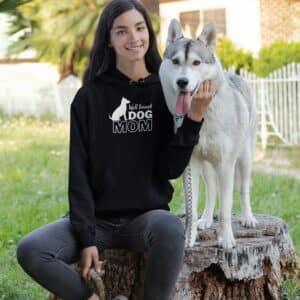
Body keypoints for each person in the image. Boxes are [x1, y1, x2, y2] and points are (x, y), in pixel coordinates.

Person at [16, 0, 214, 299]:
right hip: (95, 221)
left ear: (149, 32)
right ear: (108, 39)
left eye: (139, 28)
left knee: (171, 228)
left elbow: (171, 169)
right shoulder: (89, 96)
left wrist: (195, 118)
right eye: (121, 31)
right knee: (31, 249)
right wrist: (86, 238)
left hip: (146, 219)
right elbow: (79, 173)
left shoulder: (166, 90)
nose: (133, 38)